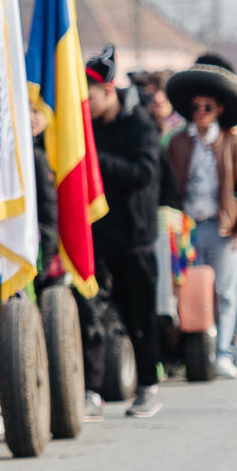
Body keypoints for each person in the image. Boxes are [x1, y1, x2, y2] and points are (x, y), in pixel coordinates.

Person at [160, 64, 237, 380]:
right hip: (187, 229)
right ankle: (195, 353)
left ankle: (225, 353)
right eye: (196, 107)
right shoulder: (176, 142)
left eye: (207, 107)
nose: (201, 112)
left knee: (227, 294)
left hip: (222, 229)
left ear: (219, 110)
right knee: (191, 295)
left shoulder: (235, 143)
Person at [84, 51, 164, 418]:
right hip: (98, 237)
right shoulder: (88, 128)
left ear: (108, 89)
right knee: (93, 316)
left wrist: (97, 160)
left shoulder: (141, 126)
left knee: (139, 318)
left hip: (136, 238)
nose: (88, 104)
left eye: (92, 95)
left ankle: (148, 385)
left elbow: (143, 174)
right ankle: (92, 391)